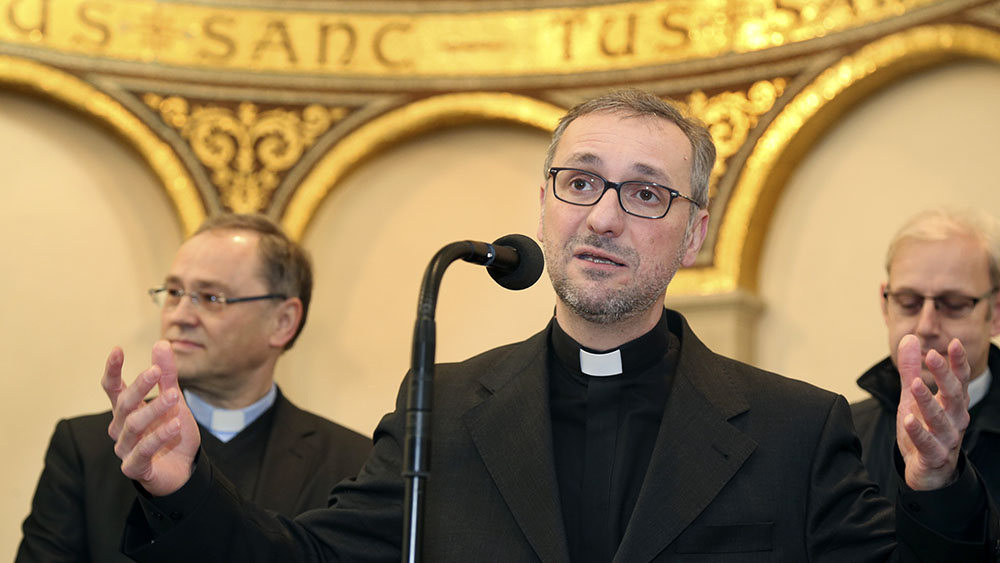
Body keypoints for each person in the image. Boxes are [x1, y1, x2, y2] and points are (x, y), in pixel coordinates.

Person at [105, 90, 996, 562]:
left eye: (645, 193)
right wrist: (184, 487)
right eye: (580, 182)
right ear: (544, 204)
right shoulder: (447, 408)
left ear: (693, 234)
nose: (603, 217)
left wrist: (938, 486)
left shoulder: (794, 428)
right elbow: (312, 557)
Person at [17, 213, 372, 563]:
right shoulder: (87, 448)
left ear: (282, 322)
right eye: (174, 293)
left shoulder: (354, 464)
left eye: (212, 297)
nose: (179, 315)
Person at [852, 209, 1000, 503]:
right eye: (908, 302)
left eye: (954, 304)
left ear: (995, 313)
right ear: (885, 304)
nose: (926, 326)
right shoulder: (843, 434)